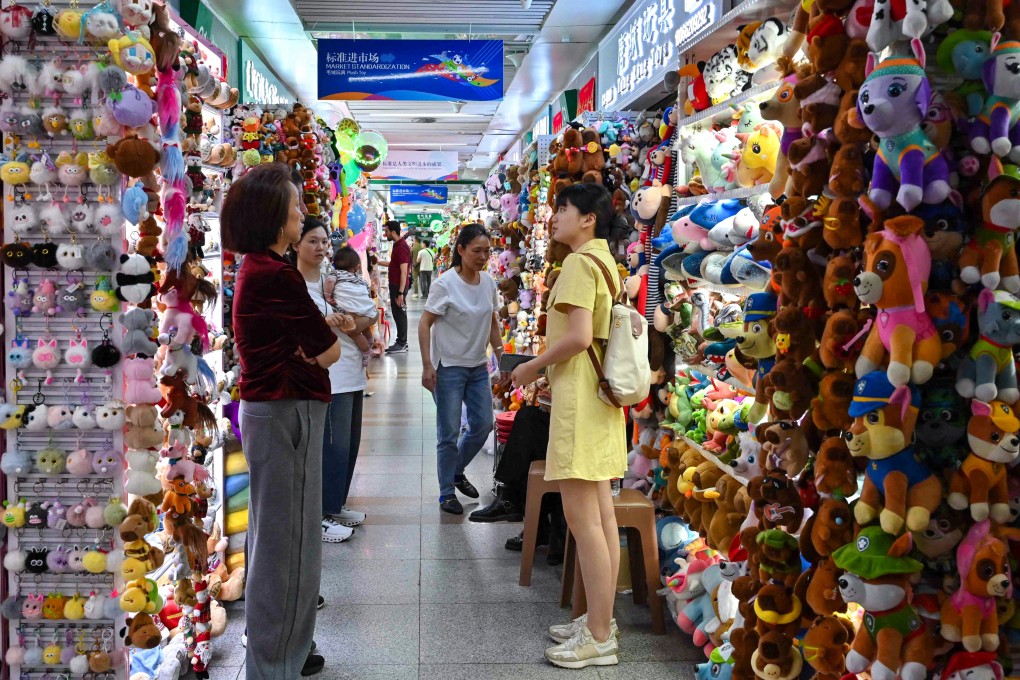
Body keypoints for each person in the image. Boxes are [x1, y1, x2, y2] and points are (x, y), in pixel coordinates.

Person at [222, 163, 346, 679]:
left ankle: (278, 653)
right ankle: (275, 664)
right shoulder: (276, 274)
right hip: (286, 411)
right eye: (295, 206)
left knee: (273, 537)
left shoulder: (257, 268)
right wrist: (314, 348)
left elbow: (316, 347)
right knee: (289, 545)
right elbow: (331, 351)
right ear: (275, 218)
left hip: (273, 410)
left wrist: (311, 348)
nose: (301, 213)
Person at [511, 183, 626, 670]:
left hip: (581, 401)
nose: (555, 215)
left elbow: (579, 337)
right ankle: (601, 620)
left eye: (564, 208)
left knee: (587, 521)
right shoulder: (606, 262)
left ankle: (599, 636)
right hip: (600, 402)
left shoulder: (580, 264)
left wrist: (531, 366)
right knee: (601, 517)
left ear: (588, 219)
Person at [290, 220, 374, 544]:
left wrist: (349, 323)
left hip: (350, 368)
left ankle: (336, 505)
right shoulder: (295, 284)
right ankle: (321, 513)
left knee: (350, 444)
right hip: (328, 377)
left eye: (324, 241)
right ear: (296, 244)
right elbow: (299, 332)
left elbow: (363, 318)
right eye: (312, 241)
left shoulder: (329, 281)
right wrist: (329, 322)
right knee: (333, 446)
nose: (321, 247)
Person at [418, 224, 507, 514]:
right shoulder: (445, 284)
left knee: (482, 424)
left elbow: (493, 321)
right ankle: (446, 493)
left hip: (477, 367)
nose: (483, 257)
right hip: (449, 369)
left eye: (487, 251)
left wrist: (501, 355)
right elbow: (424, 322)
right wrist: (427, 365)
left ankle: (455, 470)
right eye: (476, 251)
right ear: (461, 250)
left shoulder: (489, 283)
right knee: (449, 432)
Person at [326, 249, 377, 368]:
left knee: (354, 332)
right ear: (357, 266)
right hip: (366, 308)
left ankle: (366, 351)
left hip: (348, 309)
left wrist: (328, 296)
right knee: (364, 325)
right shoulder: (361, 279)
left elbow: (329, 282)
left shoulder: (335, 274)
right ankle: (369, 339)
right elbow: (367, 291)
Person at [379, 220, 411, 353]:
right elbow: (394, 265)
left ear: (393, 232)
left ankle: (402, 343)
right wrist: (379, 262)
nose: (385, 235)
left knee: (399, 313)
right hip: (395, 285)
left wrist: (400, 293)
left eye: (386, 231)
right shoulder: (397, 246)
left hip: (399, 286)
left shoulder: (402, 247)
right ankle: (401, 342)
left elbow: (404, 271)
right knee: (397, 313)